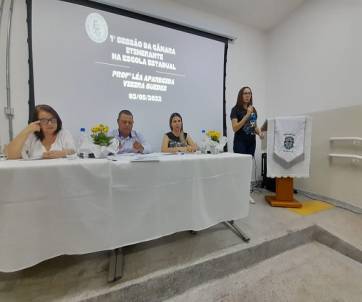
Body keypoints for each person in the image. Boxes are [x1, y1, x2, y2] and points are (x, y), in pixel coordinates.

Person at [6, 104, 75, 160]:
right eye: (44, 120)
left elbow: (73, 151)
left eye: (53, 119)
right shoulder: (31, 136)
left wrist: (62, 153)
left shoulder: (64, 134)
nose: (50, 123)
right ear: (36, 122)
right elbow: (11, 156)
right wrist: (27, 130)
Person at [230, 86, 263, 156]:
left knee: (249, 165)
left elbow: (254, 126)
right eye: (245, 93)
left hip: (251, 143)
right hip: (240, 143)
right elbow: (235, 128)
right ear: (240, 95)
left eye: (249, 93)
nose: (247, 95)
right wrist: (247, 114)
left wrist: (260, 133)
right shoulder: (235, 109)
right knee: (241, 166)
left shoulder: (253, 109)